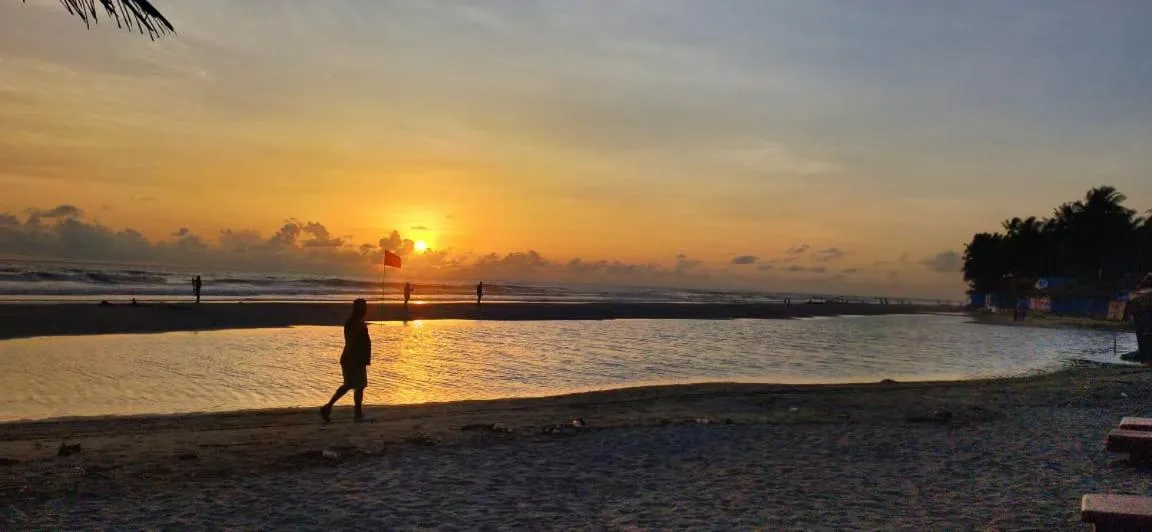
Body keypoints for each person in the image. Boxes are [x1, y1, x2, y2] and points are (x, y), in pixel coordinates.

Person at [321, 298, 371, 423]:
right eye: (363, 307)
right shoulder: (353, 323)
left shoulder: (358, 322)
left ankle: (356, 413)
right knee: (350, 385)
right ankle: (329, 407)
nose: (365, 310)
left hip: (357, 359)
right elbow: (351, 342)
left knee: (358, 386)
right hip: (352, 359)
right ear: (358, 309)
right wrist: (356, 358)